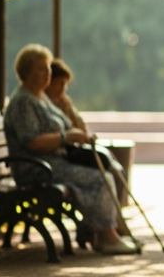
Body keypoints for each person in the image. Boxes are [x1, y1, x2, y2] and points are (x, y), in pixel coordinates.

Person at [4, 44, 138, 255]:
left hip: (53, 162)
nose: (47, 72)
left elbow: (65, 125)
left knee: (106, 170)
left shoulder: (40, 97)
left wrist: (79, 134)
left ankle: (102, 232)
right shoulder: (23, 102)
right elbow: (32, 142)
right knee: (98, 178)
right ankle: (106, 236)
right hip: (36, 168)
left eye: (48, 67)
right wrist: (66, 137)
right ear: (26, 72)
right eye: (41, 68)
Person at [45, 59, 132, 215]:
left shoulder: (65, 103)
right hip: (65, 157)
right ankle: (108, 224)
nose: (63, 88)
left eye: (65, 84)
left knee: (115, 167)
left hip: (74, 152)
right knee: (105, 174)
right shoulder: (47, 105)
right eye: (59, 83)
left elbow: (81, 127)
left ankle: (116, 218)